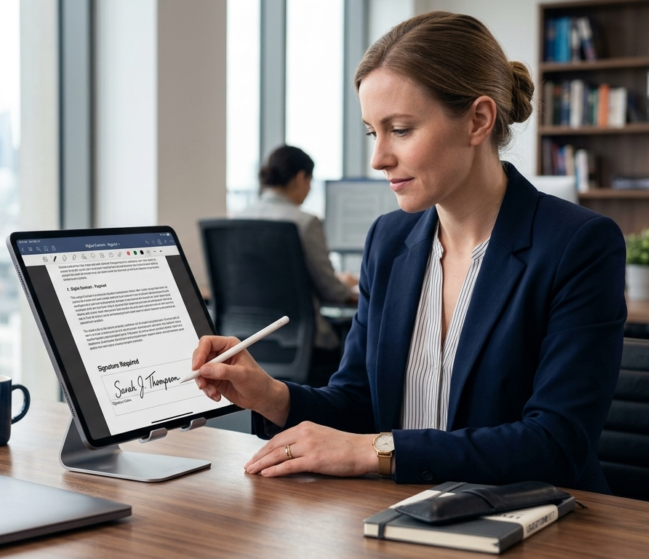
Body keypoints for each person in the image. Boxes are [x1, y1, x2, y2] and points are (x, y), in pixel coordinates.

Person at [191, 11, 626, 492]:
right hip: (402, 517)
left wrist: (372, 451)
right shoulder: (389, 241)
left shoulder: (577, 244)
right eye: (371, 132)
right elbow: (358, 403)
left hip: (526, 522)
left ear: (478, 120)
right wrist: (271, 395)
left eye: (400, 129)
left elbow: (556, 444)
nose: (378, 158)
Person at [237, 145, 358, 384]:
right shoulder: (305, 222)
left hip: (248, 343)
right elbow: (332, 291)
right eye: (310, 182)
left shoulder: (236, 220)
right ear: (301, 177)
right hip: (304, 350)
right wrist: (346, 286)